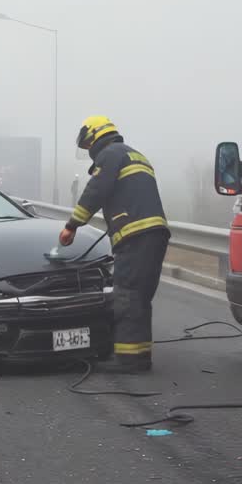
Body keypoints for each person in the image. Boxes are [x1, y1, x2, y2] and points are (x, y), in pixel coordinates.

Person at [59, 116, 171, 374]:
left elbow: (96, 191)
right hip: (154, 234)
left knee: (127, 296)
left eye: (88, 145)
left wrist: (72, 225)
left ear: (96, 137)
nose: (89, 151)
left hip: (135, 235)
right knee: (140, 297)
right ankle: (140, 357)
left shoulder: (110, 155)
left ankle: (129, 360)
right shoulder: (135, 155)